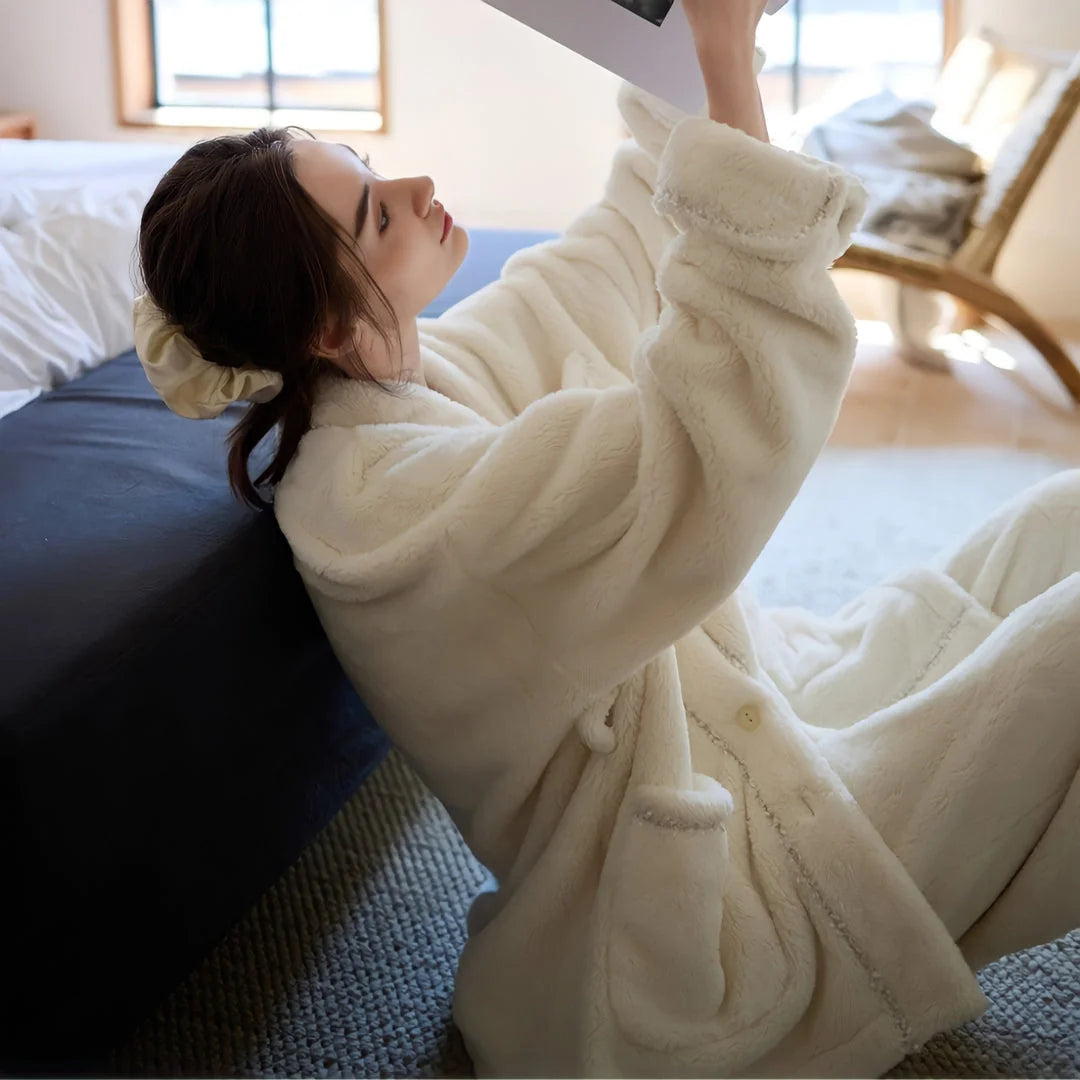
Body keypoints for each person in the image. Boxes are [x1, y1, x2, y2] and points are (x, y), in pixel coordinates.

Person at [133, 0, 1080, 1074]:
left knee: (1062, 516)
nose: (419, 188)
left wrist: (701, 46)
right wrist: (723, 63)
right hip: (725, 908)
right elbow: (706, 437)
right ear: (324, 326)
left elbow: (610, 257)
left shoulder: (404, 382)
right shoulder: (392, 508)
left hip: (762, 714)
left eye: (375, 171)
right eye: (376, 216)